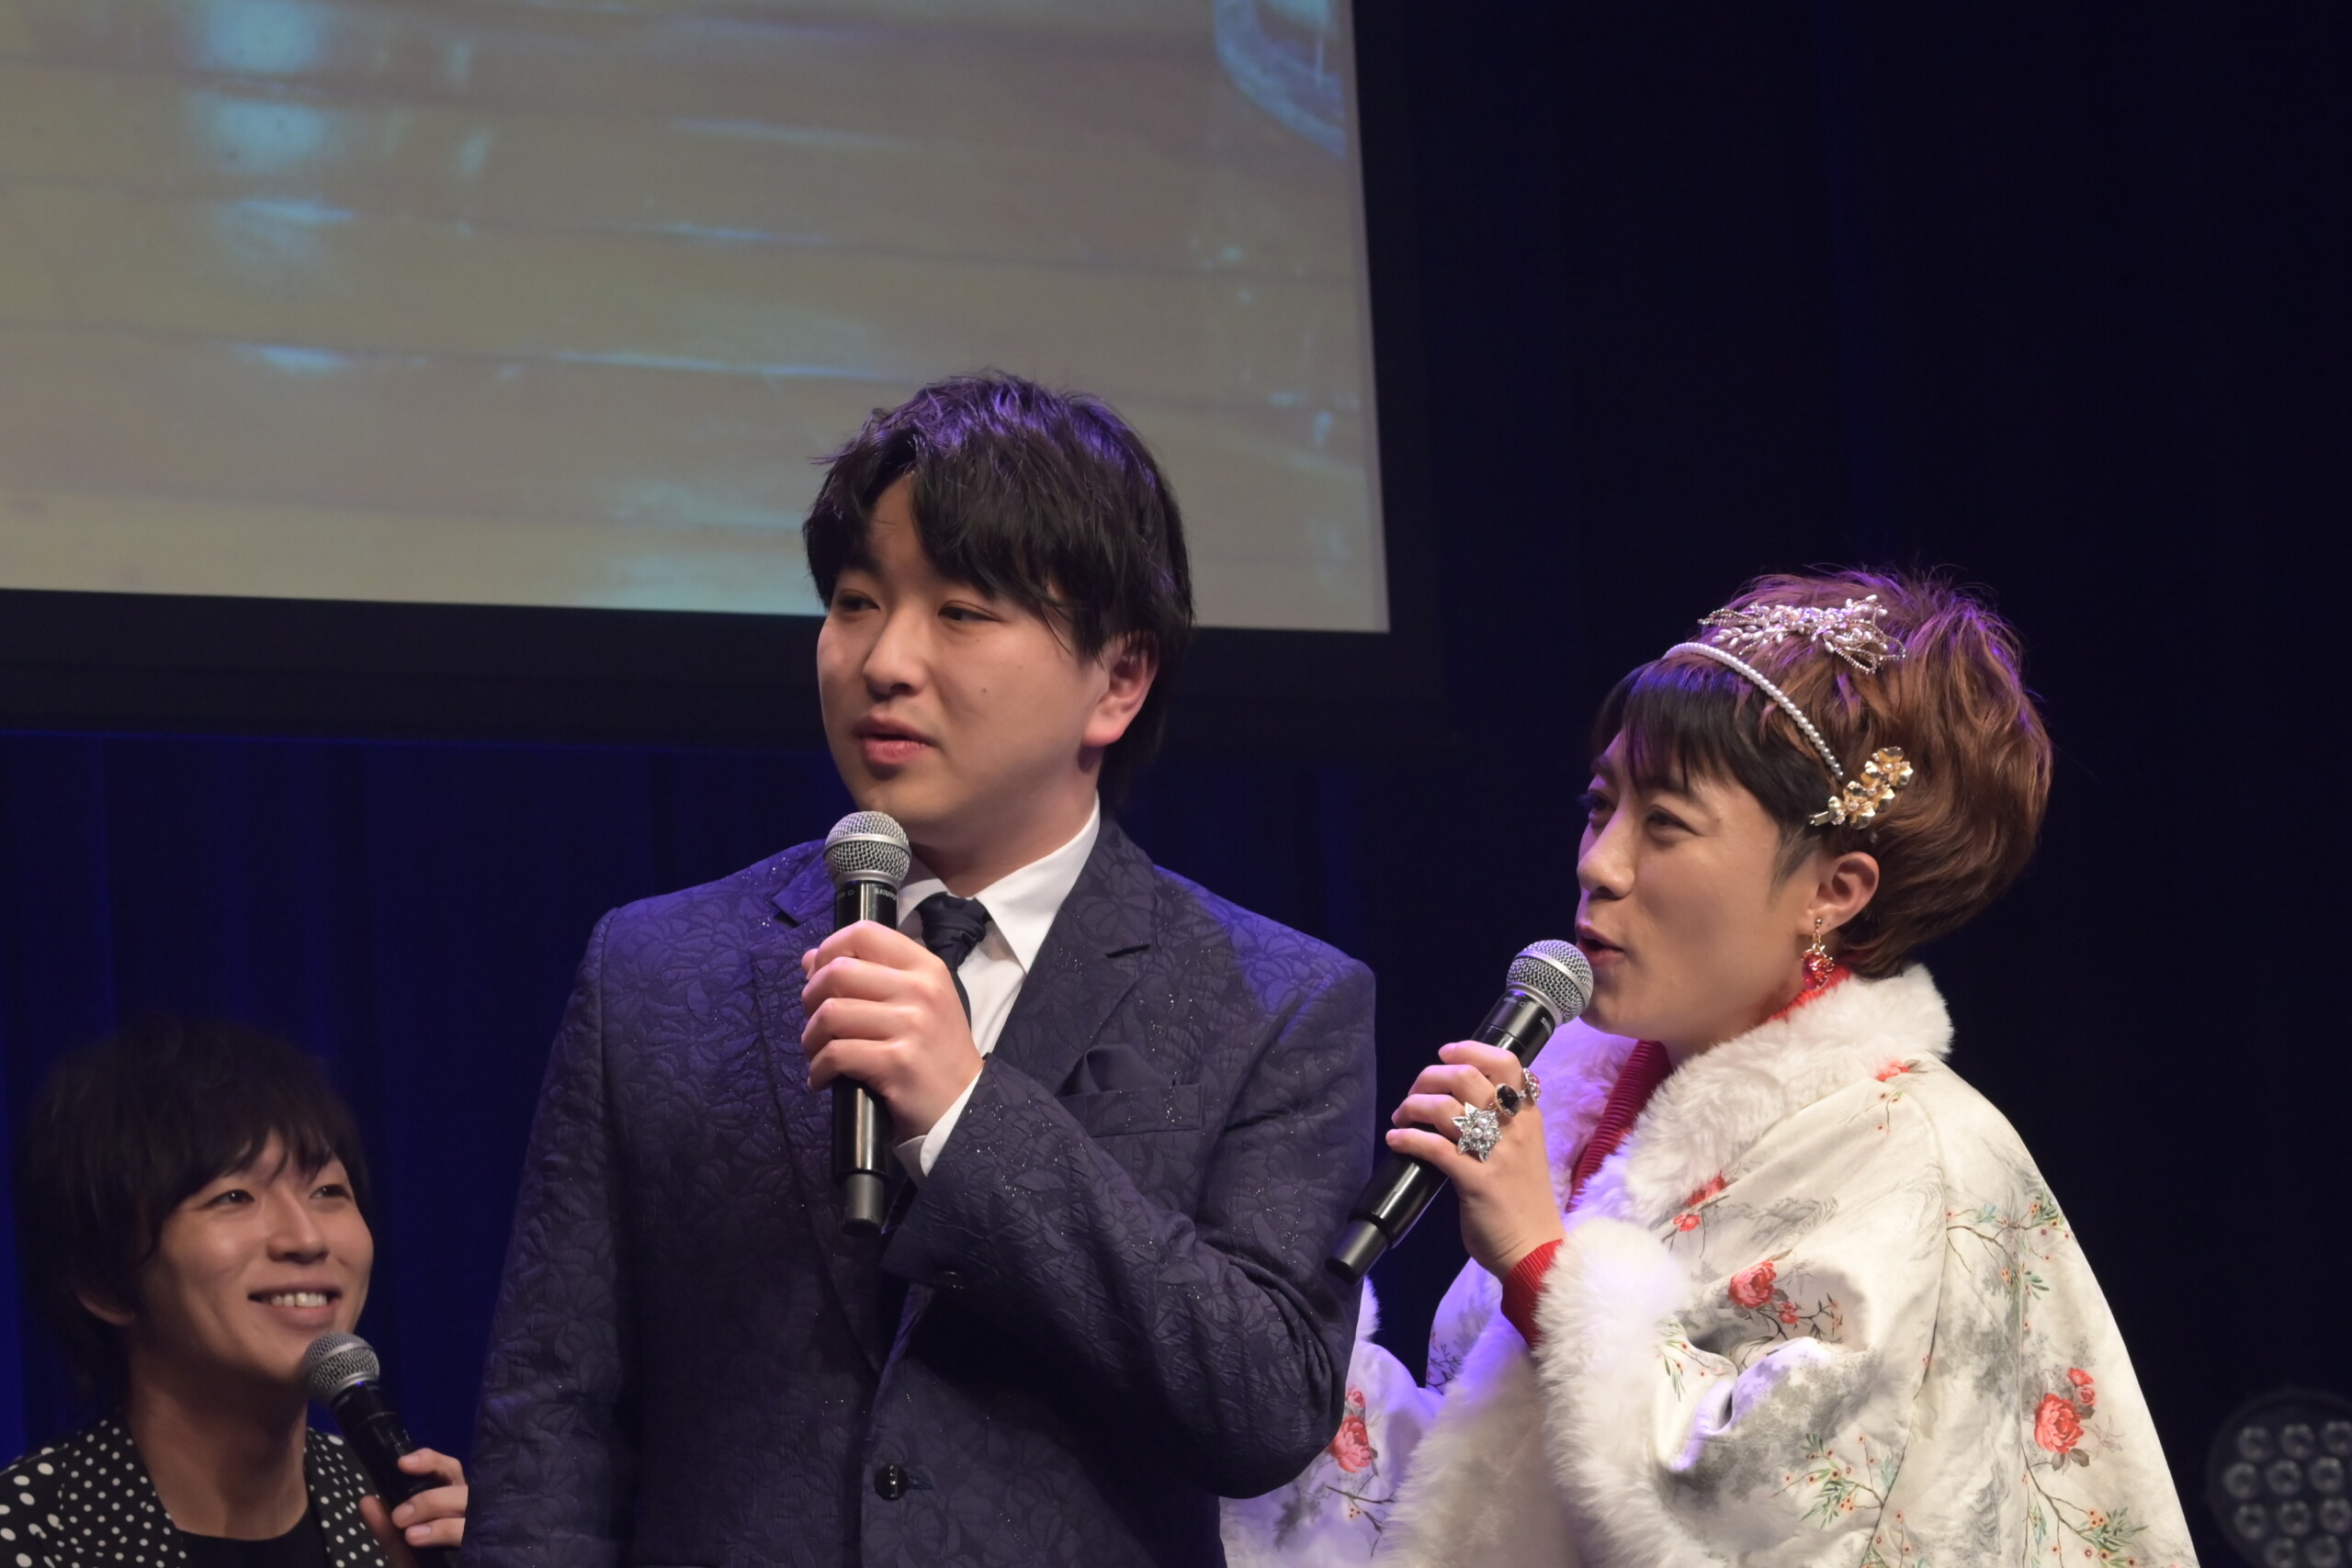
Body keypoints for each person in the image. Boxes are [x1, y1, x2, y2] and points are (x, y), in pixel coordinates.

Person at [466, 373, 1377, 1567]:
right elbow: (550, 1426)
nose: (884, 660)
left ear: (1118, 679)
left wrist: (966, 1115)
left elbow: (1264, 1403)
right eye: (856, 601)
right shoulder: (654, 967)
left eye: (959, 611)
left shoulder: (1277, 1001)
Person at [1226, 571, 2194, 1566]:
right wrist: (1277, 1337)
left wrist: (1540, 1264)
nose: (1599, 863)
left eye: (1666, 823)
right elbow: (1485, 1492)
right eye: (1600, 805)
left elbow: (1790, 1516)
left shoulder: (1925, 1153)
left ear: (1833, 889)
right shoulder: (1582, 1103)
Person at [6, 1013, 468, 1567]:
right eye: (234, 1198)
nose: (306, 1239)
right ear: (103, 1281)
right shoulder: (30, 1537)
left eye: (327, 1191)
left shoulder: (392, 1517)